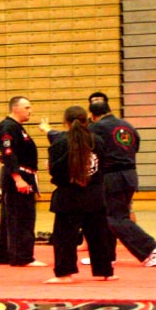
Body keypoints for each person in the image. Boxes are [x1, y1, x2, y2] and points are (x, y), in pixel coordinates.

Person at [89, 101, 156, 267]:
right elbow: (135, 147)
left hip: (112, 177)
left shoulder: (97, 128)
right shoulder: (128, 126)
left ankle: (151, 248)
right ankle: (105, 256)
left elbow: (90, 148)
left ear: (92, 115)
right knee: (110, 216)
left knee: (115, 217)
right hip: (130, 175)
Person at [45, 106, 116, 284]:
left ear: (66, 122)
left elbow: (55, 171)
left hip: (68, 195)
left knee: (64, 237)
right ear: (87, 121)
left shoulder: (60, 143)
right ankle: (105, 271)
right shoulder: (97, 141)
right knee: (99, 235)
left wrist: (56, 175)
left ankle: (64, 273)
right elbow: (103, 166)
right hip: (94, 195)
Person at [0, 96, 46, 267]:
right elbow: (7, 153)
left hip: (21, 174)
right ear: (15, 108)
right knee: (22, 217)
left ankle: (5, 255)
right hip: (18, 176)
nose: (30, 111)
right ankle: (22, 256)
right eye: (27, 107)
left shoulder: (16, 127)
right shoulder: (8, 127)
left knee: (9, 217)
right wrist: (18, 178)